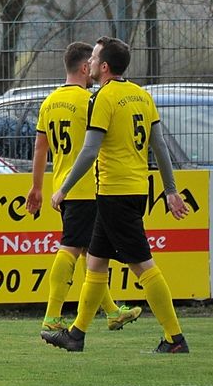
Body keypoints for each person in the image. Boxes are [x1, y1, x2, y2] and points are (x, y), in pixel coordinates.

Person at [43, 36, 191, 353]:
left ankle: (175, 338)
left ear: (105, 66)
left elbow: (90, 150)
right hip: (136, 190)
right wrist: (170, 190)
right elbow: (160, 147)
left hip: (115, 193)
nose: (91, 64)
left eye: (95, 59)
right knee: (95, 263)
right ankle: (76, 335)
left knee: (143, 266)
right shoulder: (141, 96)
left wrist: (64, 187)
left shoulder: (104, 98)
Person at [25, 42, 142, 335]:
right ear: (82, 68)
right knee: (72, 248)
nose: (92, 66)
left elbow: (40, 147)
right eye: (89, 61)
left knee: (94, 252)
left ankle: (113, 312)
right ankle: (52, 317)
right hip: (87, 187)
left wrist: (36, 187)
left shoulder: (49, 102)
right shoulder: (90, 101)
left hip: (62, 184)